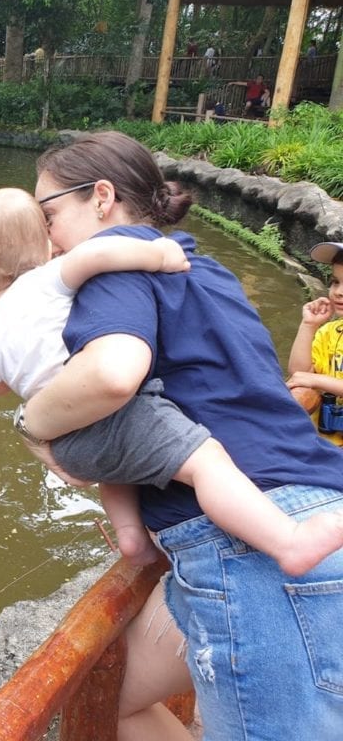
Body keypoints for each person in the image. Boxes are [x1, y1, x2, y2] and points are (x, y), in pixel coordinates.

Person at [21, 130, 343, 739]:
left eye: (50, 214)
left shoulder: (112, 265)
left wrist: (33, 423)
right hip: (316, 505)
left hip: (255, 556)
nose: (47, 236)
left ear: (102, 198)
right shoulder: (208, 268)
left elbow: (115, 373)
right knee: (109, 697)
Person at [0, 186, 343, 576]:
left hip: (67, 442)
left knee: (116, 468)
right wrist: (158, 254)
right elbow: (100, 254)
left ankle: (131, 538)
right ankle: (287, 541)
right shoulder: (51, 278)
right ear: (48, 247)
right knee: (205, 463)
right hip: (114, 416)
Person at [287, 241, 343, 446]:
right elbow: (299, 373)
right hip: (325, 445)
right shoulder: (329, 332)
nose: (338, 292)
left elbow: (310, 379)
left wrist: (318, 381)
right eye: (335, 282)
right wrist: (309, 326)